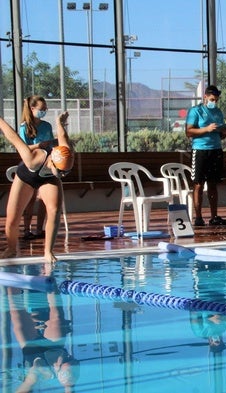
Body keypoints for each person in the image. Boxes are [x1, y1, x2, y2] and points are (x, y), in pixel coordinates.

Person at [0, 113, 74, 263]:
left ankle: (48, 251)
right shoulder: (32, 158)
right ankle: (11, 248)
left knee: (54, 210)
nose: (63, 175)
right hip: (26, 177)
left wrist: (59, 122)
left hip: (48, 179)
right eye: (60, 171)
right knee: (12, 219)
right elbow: (13, 137)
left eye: (65, 172)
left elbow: (61, 134)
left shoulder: (66, 150)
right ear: (53, 162)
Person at [7, 280, 79, 392]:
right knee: (58, 318)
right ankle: (48, 275)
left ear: (57, 368)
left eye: (66, 358)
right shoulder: (68, 376)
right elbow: (69, 387)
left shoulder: (40, 372)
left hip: (32, 351)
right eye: (71, 358)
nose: (68, 355)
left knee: (16, 313)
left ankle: (11, 274)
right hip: (55, 346)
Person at [186, 85, 226, 227]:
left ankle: (214, 216)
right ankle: (198, 217)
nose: (214, 102)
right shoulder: (196, 111)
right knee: (198, 184)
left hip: (215, 150)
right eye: (212, 99)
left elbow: (221, 135)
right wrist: (206, 129)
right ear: (205, 97)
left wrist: (223, 132)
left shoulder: (218, 112)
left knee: (213, 184)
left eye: (216, 100)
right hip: (200, 151)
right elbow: (189, 132)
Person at [18, 96, 55, 240]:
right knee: (30, 198)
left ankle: (40, 229)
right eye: (41, 109)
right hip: (31, 165)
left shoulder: (47, 126)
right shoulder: (24, 127)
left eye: (45, 109)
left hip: (45, 165)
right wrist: (39, 145)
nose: (44, 111)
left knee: (44, 199)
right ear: (32, 109)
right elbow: (23, 147)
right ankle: (26, 229)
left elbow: (51, 142)